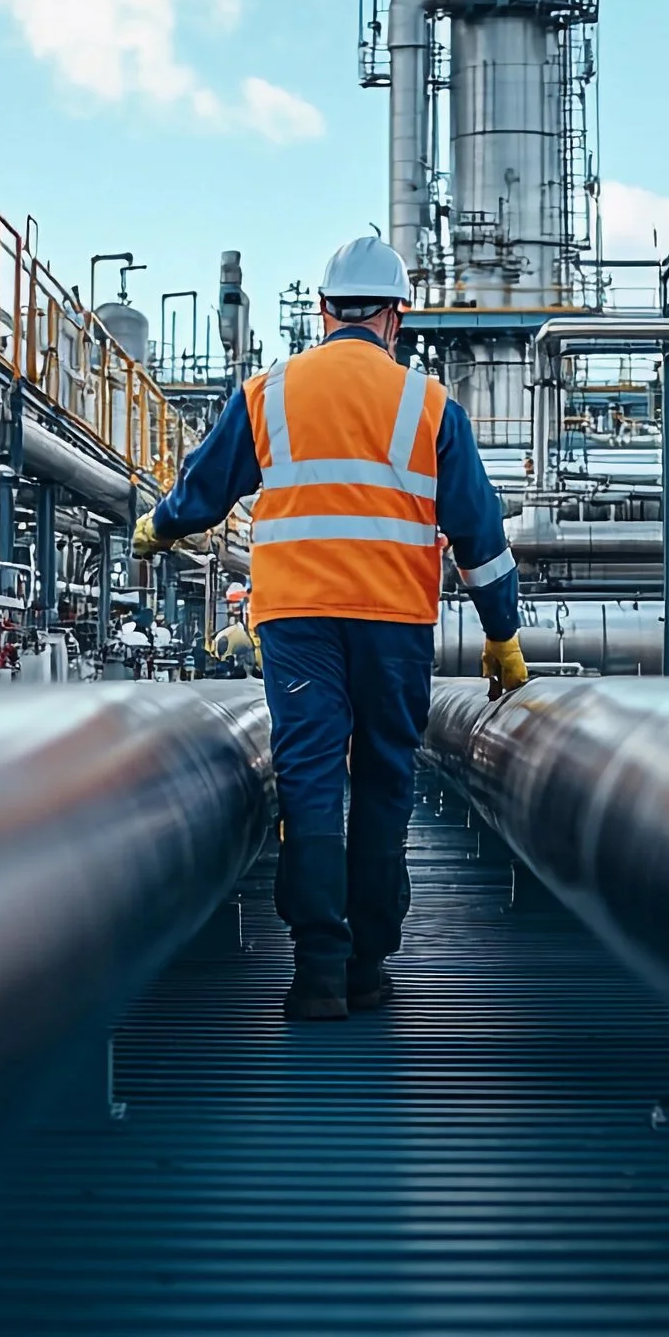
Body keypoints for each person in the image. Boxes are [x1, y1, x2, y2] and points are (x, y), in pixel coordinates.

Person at [135, 235, 530, 1019]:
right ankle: (370, 962)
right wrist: (502, 635)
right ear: (396, 316)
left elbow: (207, 489)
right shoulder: (430, 405)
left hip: (298, 621)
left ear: (321, 311)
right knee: (385, 777)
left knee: (311, 778)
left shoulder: (269, 393)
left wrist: (162, 525)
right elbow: (480, 538)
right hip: (392, 621)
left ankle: (318, 968)